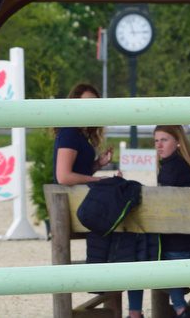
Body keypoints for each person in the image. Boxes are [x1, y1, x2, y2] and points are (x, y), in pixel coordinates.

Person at [56, 84, 143, 316]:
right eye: (86, 103)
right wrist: (98, 180)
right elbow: (63, 176)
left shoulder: (80, 134)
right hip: (75, 205)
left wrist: (97, 166)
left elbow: (76, 172)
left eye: (95, 103)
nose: (91, 108)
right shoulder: (69, 133)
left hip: (82, 200)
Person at [152, 125, 190, 317]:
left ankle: (179, 307)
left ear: (177, 142)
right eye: (156, 141)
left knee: (162, 261)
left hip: (177, 243)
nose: (159, 145)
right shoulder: (188, 165)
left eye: (164, 140)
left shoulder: (171, 168)